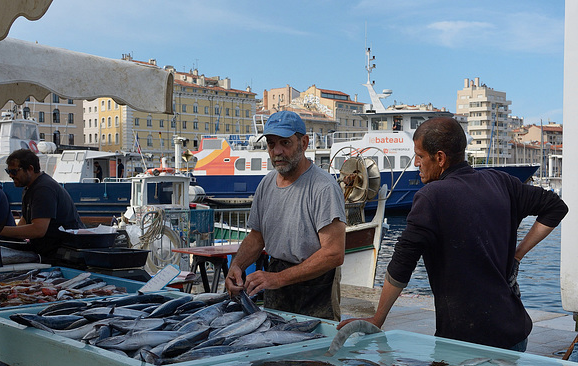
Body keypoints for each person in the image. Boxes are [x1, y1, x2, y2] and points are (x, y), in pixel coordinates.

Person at [339, 117, 568, 351]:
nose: (416, 163)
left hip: (465, 340)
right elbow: (556, 207)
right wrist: (517, 255)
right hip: (514, 332)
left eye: (419, 155)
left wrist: (378, 319)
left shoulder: (431, 197)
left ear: (439, 158)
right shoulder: (501, 181)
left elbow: (401, 265)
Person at [224, 110, 346, 320]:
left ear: (304, 142)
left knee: (315, 349)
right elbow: (256, 237)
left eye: (285, 143)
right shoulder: (267, 184)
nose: (277, 151)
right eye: (271, 144)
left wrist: (278, 278)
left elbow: (334, 253)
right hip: (276, 282)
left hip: (316, 286)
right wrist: (236, 266)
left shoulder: (323, 187)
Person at [0, 149, 85, 257]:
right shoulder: (30, 188)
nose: (10, 175)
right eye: (8, 171)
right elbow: (25, 221)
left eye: (14, 171)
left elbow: (38, 230)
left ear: (30, 169)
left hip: (64, 252)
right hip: (49, 249)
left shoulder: (43, 189)